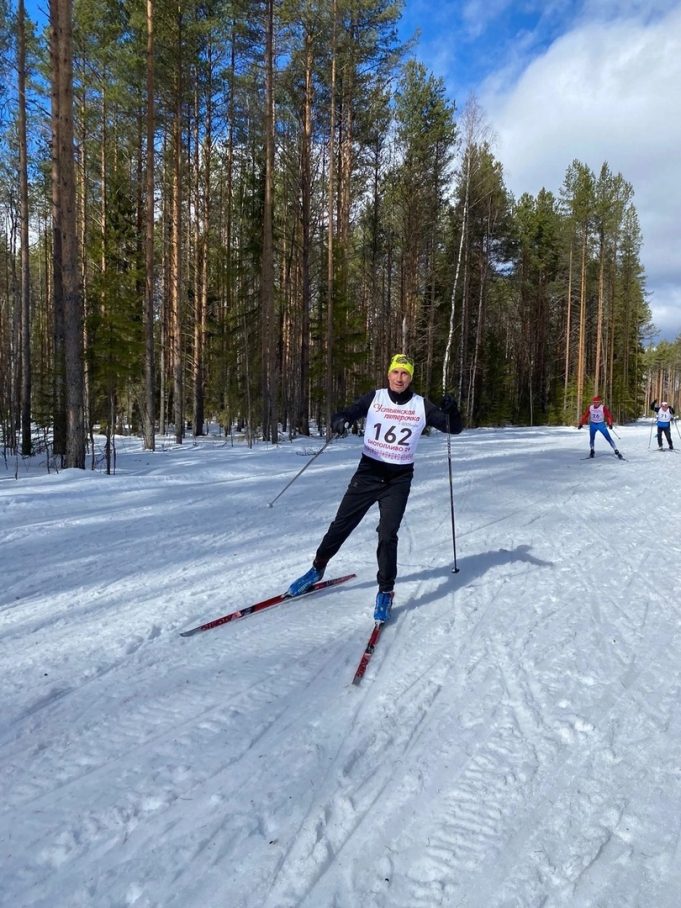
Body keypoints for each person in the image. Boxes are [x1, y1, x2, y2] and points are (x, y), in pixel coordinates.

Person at [286, 353, 463, 623]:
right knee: (341, 524)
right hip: (369, 472)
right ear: (389, 374)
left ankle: (385, 590)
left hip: (398, 479)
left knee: (387, 534)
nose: (399, 378)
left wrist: (453, 410)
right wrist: (340, 419)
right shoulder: (375, 398)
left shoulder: (421, 405)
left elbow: (454, 428)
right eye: (395, 372)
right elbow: (349, 412)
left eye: (405, 373)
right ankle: (317, 568)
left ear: (410, 377)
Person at [578, 395, 623, 459]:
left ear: (600, 402)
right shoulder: (590, 407)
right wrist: (581, 423)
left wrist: (610, 423)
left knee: (608, 437)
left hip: (601, 424)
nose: (596, 403)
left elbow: (608, 415)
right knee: (592, 438)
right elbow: (585, 415)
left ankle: (616, 450)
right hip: (593, 424)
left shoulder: (603, 407)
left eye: (597, 402)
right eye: (594, 402)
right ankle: (592, 451)